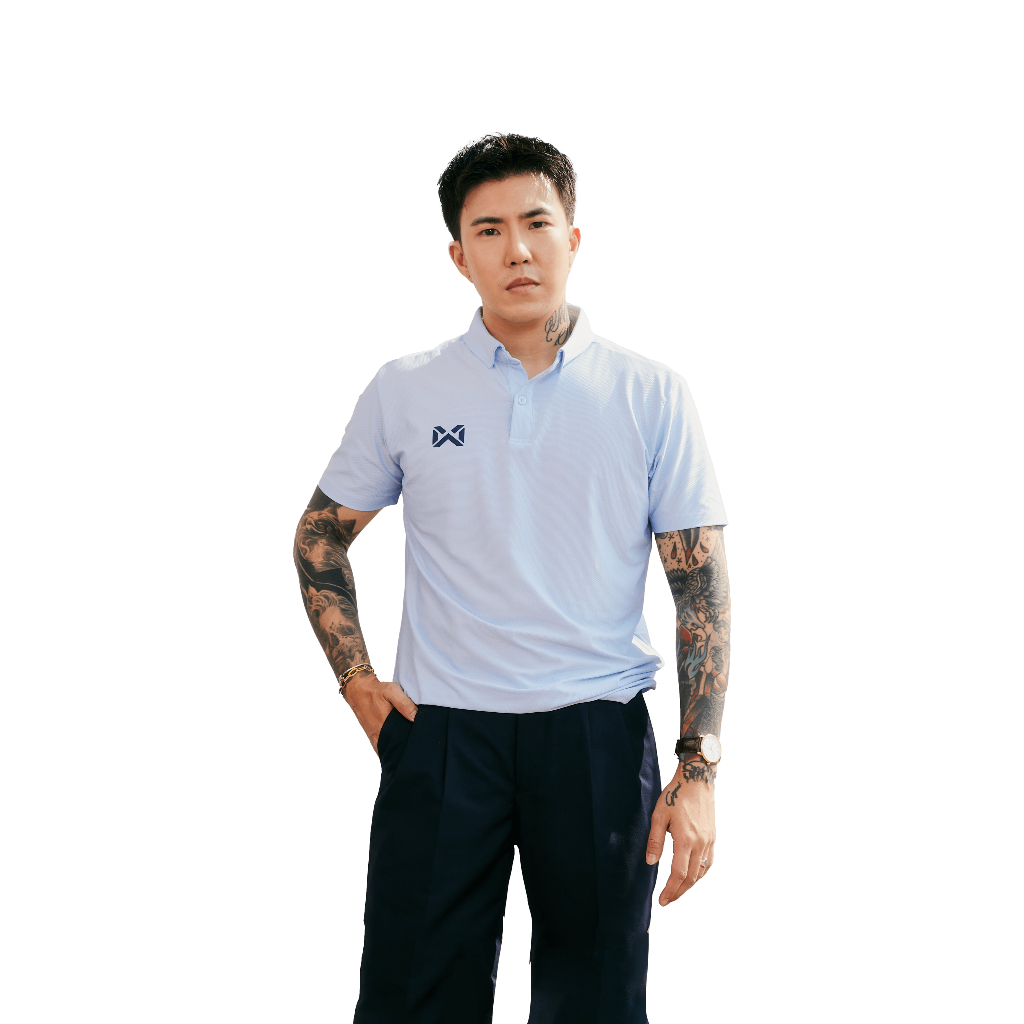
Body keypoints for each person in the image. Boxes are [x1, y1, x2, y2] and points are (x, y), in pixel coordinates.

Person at [293, 134, 731, 1024]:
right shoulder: (406, 390)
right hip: (443, 735)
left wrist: (699, 768)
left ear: (575, 238)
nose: (517, 250)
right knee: (413, 998)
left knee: (593, 1002)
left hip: (597, 734)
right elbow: (319, 537)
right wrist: (357, 681)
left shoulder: (651, 393)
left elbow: (701, 592)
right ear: (460, 256)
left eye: (537, 223)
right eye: (488, 231)